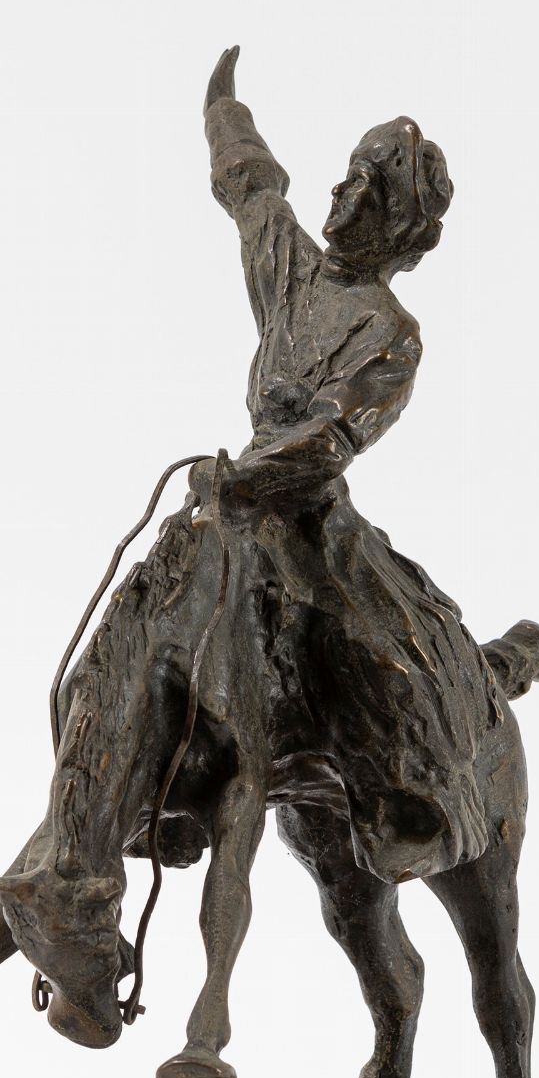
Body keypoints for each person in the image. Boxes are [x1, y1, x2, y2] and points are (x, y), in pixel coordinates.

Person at [196, 47, 508, 886]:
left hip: (311, 529)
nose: (345, 191)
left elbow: (332, 438)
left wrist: (248, 481)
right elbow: (252, 189)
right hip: (230, 509)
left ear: (399, 229)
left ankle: (421, 805)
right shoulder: (290, 269)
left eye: (370, 185)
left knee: (371, 647)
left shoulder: (390, 334)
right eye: (350, 172)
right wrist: (224, 111)